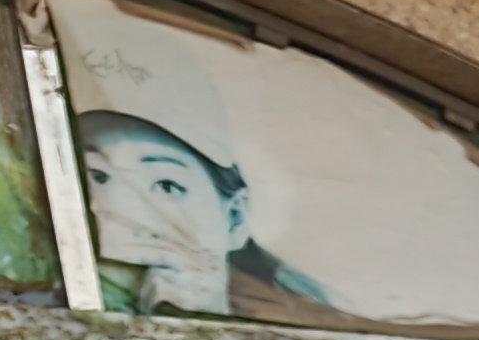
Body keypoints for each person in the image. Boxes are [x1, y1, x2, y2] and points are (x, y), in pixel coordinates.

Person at [74, 103, 328, 321]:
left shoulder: (315, 338)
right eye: (96, 177)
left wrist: (202, 325)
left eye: (167, 186)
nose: (118, 211)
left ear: (234, 219)